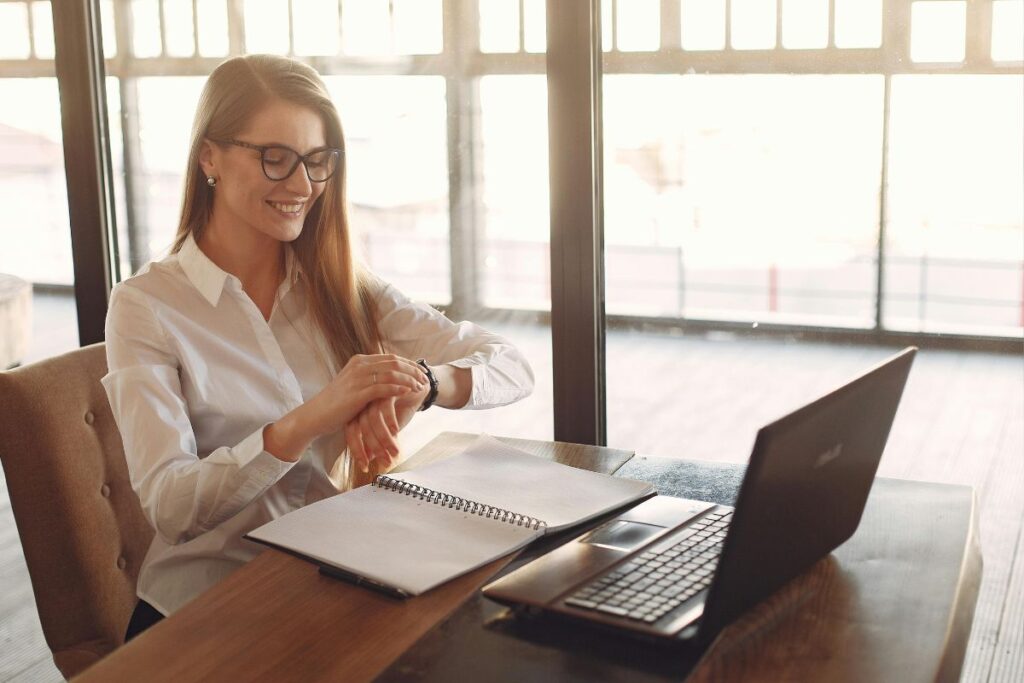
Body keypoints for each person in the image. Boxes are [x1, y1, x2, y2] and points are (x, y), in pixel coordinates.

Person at [101, 54, 534, 641]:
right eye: (274, 158)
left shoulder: (339, 285)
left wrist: (422, 383)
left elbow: (510, 364)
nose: (302, 186)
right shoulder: (146, 306)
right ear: (209, 157)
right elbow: (172, 509)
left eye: (315, 160)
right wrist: (311, 418)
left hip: (327, 579)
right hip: (199, 612)